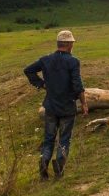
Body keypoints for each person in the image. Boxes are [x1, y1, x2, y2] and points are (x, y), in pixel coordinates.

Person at [24, 30, 88, 180]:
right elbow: (78, 85)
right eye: (72, 43)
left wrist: (41, 84)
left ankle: (43, 170)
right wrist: (84, 103)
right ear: (69, 44)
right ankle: (59, 171)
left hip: (51, 107)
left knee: (48, 139)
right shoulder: (73, 61)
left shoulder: (46, 60)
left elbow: (28, 70)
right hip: (67, 107)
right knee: (64, 139)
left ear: (58, 44)